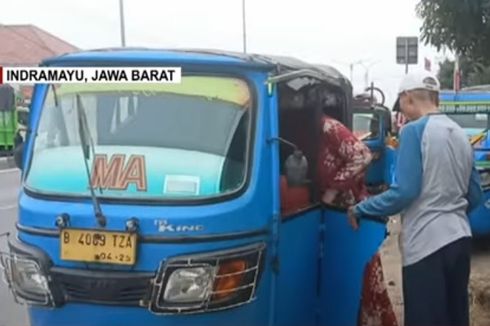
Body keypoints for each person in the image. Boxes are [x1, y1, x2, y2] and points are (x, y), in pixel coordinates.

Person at [348, 71, 483, 326]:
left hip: (426, 245)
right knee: (456, 317)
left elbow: (404, 192)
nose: (403, 114)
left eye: (403, 107)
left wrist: (361, 209)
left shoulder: (413, 132)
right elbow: (474, 195)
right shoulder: (460, 134)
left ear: (408, 98)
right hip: (460, 241)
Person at [317, 103, 398, 326]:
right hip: (324, 216)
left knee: (358, 279)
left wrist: (333, 189)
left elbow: (362, 155)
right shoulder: (297, 129)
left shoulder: (328, 127)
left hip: (346, 214)